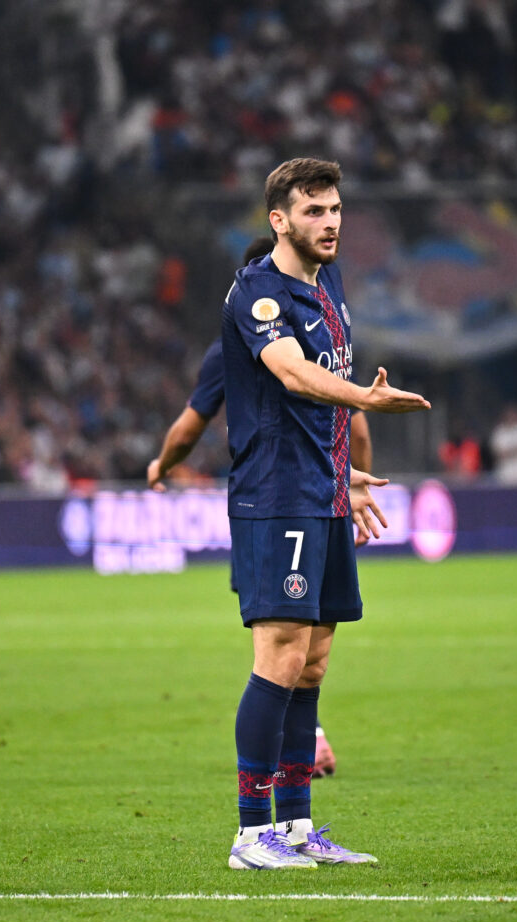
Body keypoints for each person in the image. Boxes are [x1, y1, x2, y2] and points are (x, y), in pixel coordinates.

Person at [219, 158, 429, 870]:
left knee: (311, 664)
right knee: (279, 653)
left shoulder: (328, 284)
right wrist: (365, 399)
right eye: (314, 211)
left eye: (335, 208)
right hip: (277, 495)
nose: (331, 222)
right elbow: (291, 373)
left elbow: (317, 397)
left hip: (325, 493)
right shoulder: (259, 293)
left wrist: (346, 474)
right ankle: (252, 835)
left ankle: (298, 826)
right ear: (278, 220)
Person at [146, 238, 371, 778]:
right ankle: (271, 807)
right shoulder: (294, 328)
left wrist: (161, 464)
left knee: (289, 649)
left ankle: (292, 802)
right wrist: (352, 480)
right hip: (298, 497)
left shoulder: (244, 342)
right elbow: (358, 426)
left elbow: (189, 428)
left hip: (296, 496)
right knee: (293, 649)